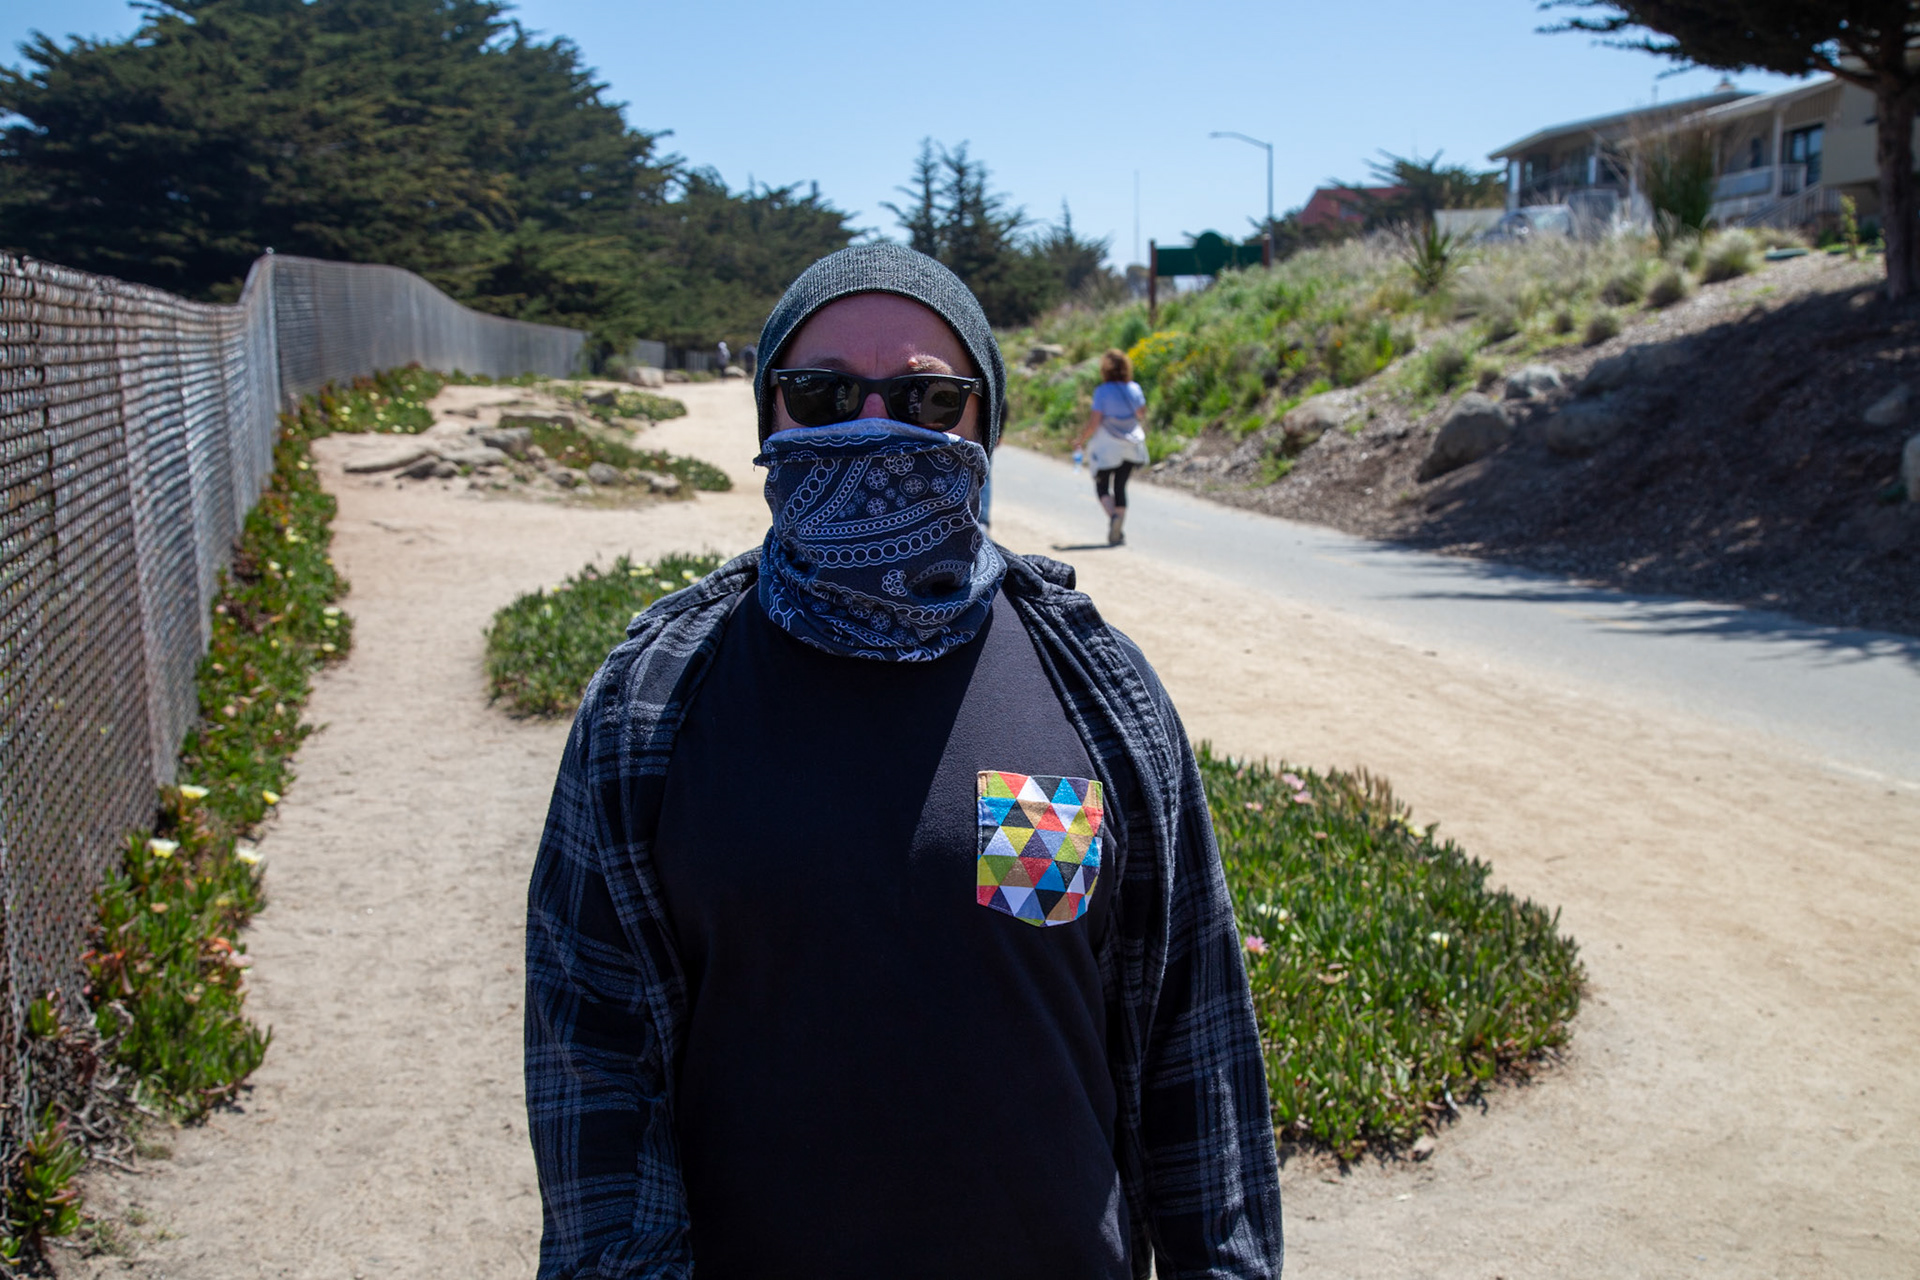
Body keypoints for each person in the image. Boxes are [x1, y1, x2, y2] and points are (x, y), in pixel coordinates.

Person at [525, 243, 1282, 1280]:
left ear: (984, 424)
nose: (874, 425)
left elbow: (1194, 1051)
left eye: (929, 398)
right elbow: (594, 1060)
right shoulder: (652, 698)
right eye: (823, 393)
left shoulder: (1100, 687)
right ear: (769, 417)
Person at [1072, 349, 1150, 546]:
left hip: (1107, 446)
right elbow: (1141, 413)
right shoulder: (1135, 388)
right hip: (1131, 444)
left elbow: (1094, 421)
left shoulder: (1102, 391)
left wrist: (1081, 439)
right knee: (1120, 486)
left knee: (1102, 485)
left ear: (1105, 370)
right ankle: (1119, 529)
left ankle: (1114, 517)